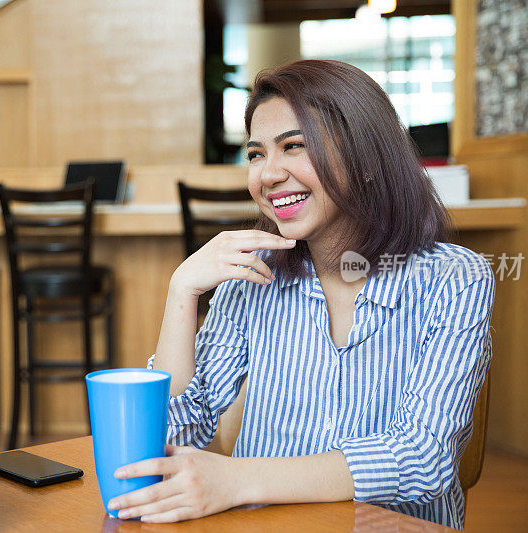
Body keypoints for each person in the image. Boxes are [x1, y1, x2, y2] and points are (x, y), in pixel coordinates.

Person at [108, 60, 493, 529]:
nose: (268, 174)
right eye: (255, 154)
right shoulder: (250, 277)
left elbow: (422, 457)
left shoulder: (456, 279)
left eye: (294, 146)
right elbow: (175, 430)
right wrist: (180, 293)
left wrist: (236, 480)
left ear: (367, 159)